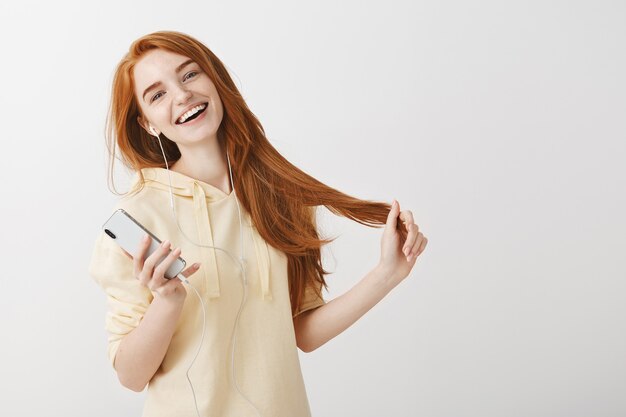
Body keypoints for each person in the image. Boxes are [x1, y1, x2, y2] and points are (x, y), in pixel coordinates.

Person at [88, 30, 428, 417]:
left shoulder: (279, 196)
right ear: (147, 123)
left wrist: (387, 274)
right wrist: (166, 302)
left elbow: (302, 333)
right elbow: (131, 376)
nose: (181, 95)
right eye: (157, 94)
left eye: (189, 75)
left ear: (216, 81)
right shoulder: (139, 218)